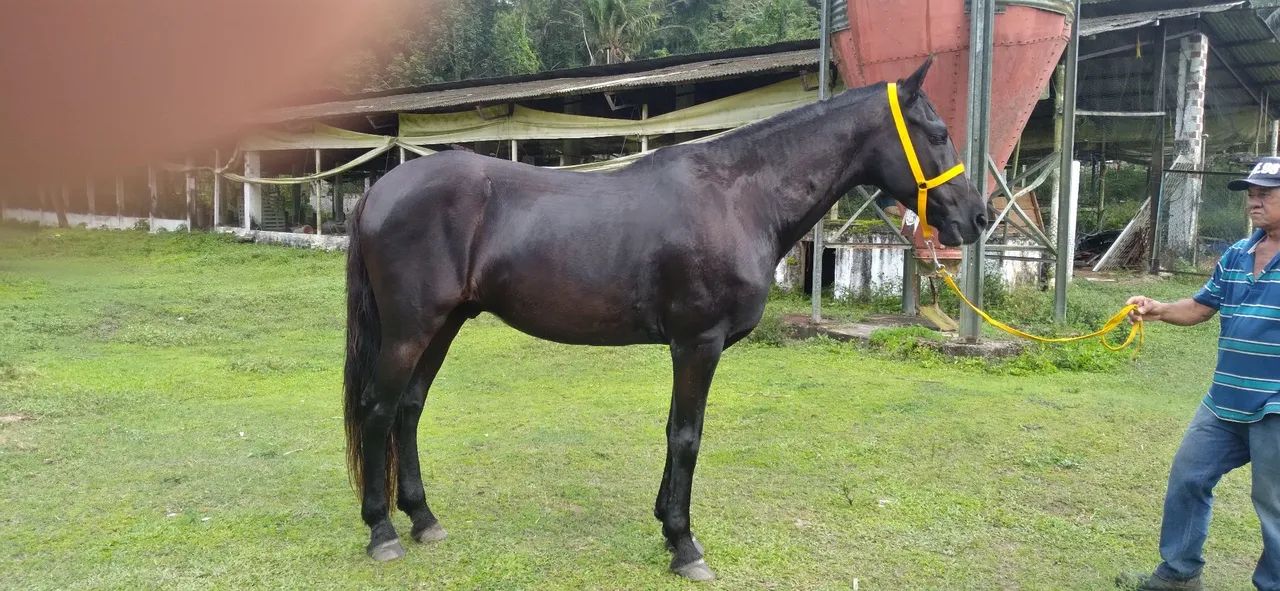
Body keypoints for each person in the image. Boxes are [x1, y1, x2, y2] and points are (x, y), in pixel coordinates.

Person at [1117, 156, 1280, 591]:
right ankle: (1179, 573)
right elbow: (1203, 306)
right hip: (1224, 400)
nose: (1254, 201)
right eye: (1251, 193)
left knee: (1274, 503)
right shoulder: (1237, 253)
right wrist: (1157, 309)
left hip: (1276, 405)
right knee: (1189, 477)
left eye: (1265, 193)